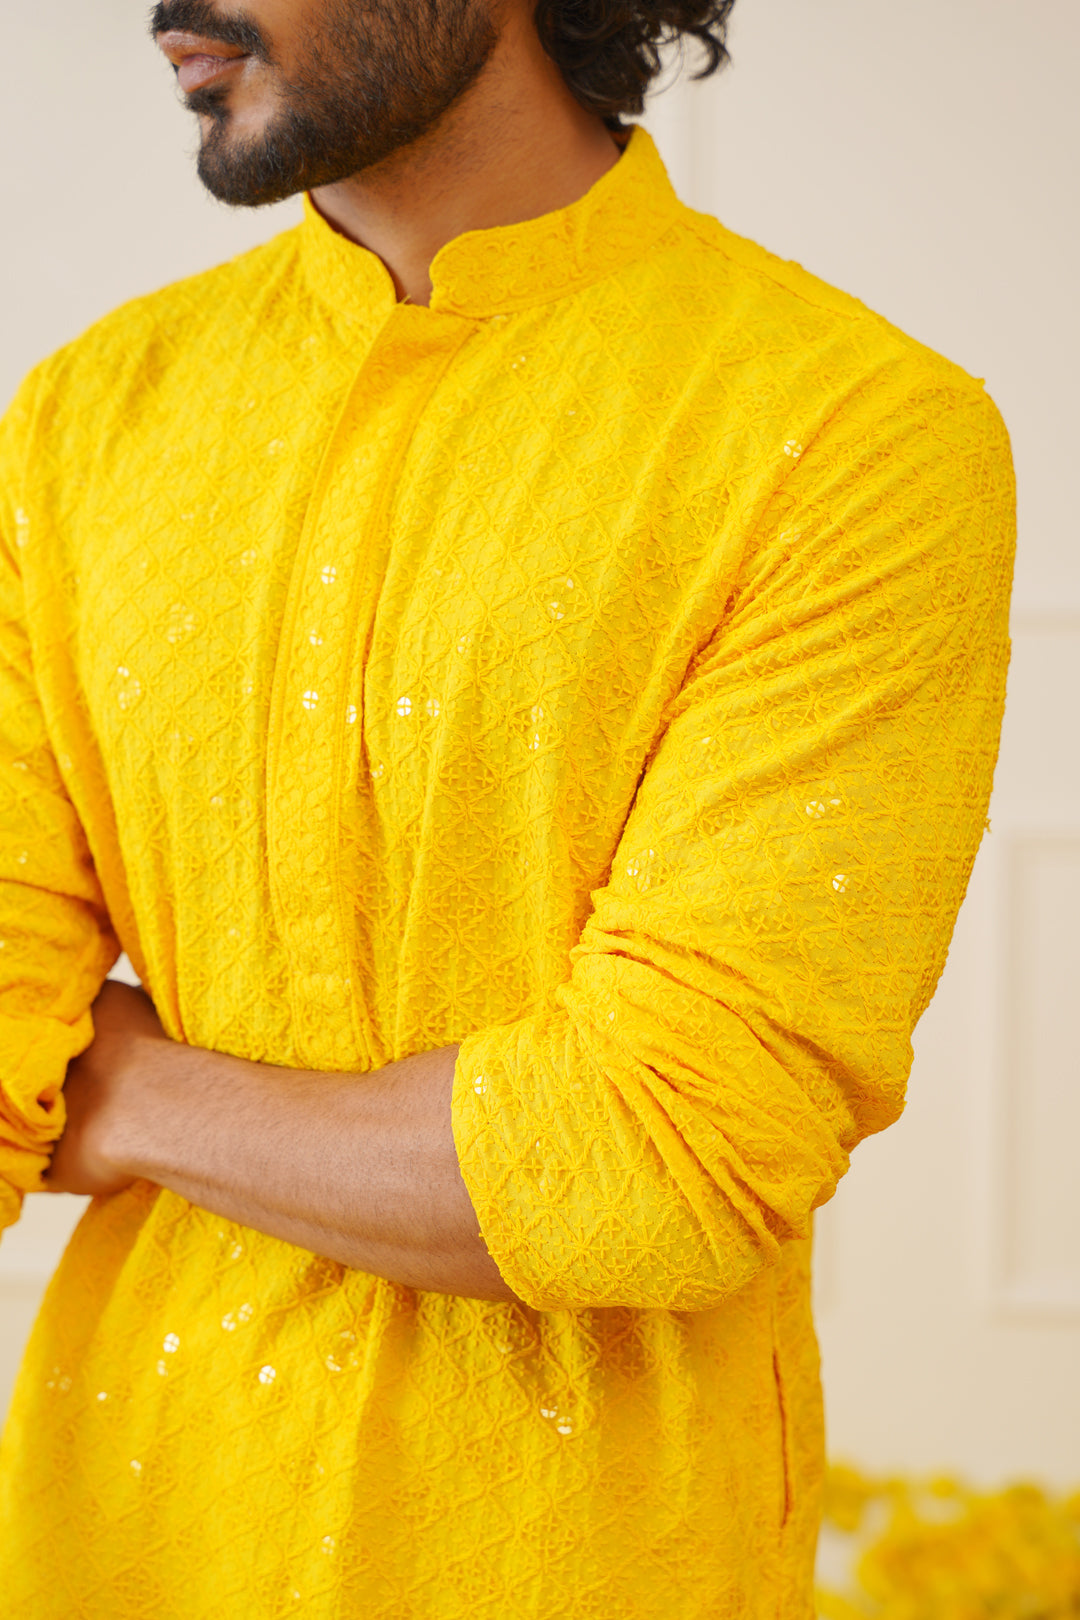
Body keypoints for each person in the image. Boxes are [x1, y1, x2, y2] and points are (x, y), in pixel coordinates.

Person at [0, 0, 1014, 1612]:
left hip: (584, 1559)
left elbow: (662, 1161)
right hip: (118, 1539)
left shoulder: (849, 437)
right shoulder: (77, 427)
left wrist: (124, 1093)